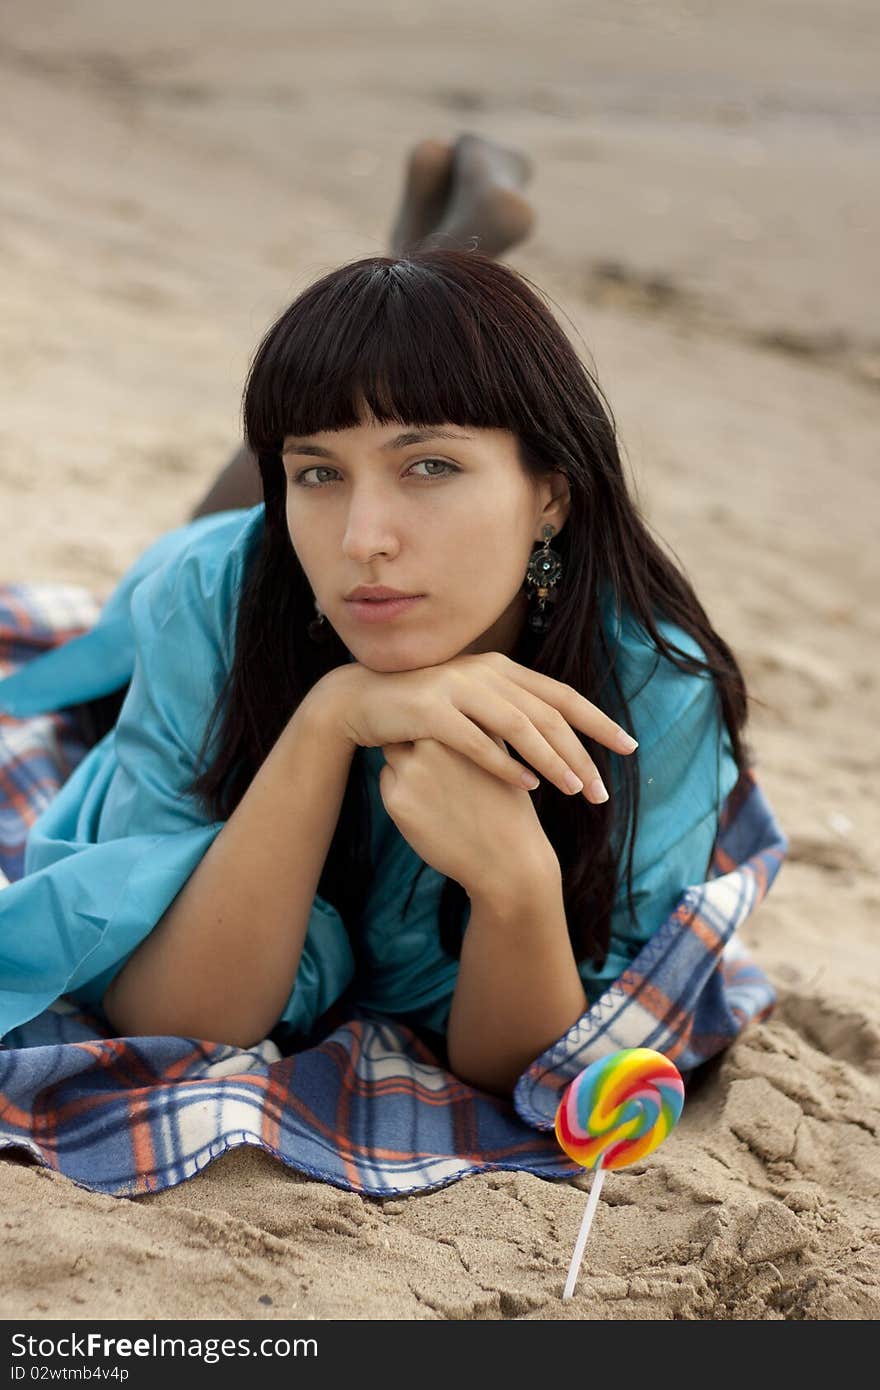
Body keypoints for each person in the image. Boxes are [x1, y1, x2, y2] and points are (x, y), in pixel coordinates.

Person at [0, 134, 748, 1100]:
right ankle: (424, 270)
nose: (364, 538)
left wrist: (517, 887)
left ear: (552, 496)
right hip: (237, 583)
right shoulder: (214, 597)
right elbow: (181, 1023)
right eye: (316, 474)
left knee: (294, 481)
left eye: (429, 466)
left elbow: (534, 1075)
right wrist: (331, 719)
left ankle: (434, 255)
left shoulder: (654, 687)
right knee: (213, 544)